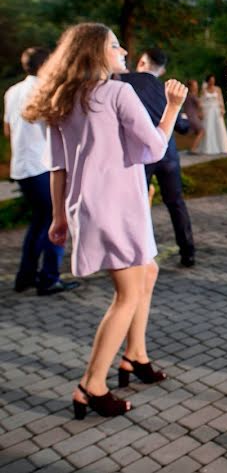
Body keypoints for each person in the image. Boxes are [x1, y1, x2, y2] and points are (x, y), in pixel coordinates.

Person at [22, 23, 187, 418]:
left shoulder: (63, 98)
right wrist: (174, 107)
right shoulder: (117, 92)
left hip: (90, 206)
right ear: (98, 53)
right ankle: (91, 385)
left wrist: (59, 217)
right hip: (119, 206)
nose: (124, 52)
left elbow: (58, 168)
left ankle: (136, 355)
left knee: (147, 271)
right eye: (116, 46)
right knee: (127, 295)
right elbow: (153, 147)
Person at [3, 47, 79, 296]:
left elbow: (7, 130)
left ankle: (25, 277)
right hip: (43, 167)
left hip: (22, 167)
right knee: (57, 221)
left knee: (39, 222)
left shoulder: (12, 91)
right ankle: (48, 278)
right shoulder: (50, 91)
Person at [118, 49, 196, 267]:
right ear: (161, 69)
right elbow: (182, 126)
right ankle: (188, 251)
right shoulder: (166, 89)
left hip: (139, 155)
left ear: (142, 61)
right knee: (176, 202)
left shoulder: (124, 82)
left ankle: (134, 253)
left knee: (136, 203)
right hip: (168, 154)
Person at [195, 74, 227, 154]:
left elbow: (220, 100)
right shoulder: (204, 90)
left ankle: (222, 147)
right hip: (208, 112)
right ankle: (209, 148)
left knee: (219, 128)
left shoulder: (217, 89)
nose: (212, 82)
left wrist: (222, 109)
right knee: (209, 128)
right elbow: (201, 102)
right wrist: (200, 112)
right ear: (208, 81)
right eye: (210, 81)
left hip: (216, 111)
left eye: (213, 80)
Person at [182, 79, 205, 152]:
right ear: (191, 87)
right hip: (193, 117)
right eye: (195, 85)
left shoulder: (186, 95)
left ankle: (191, 147)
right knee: (202, 131)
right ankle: (193, 149)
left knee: (193, 132)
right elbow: (200, 104)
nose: (196, 87)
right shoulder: (192, 95)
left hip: (188, 116)